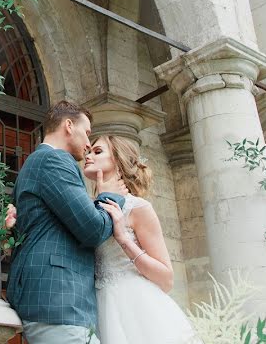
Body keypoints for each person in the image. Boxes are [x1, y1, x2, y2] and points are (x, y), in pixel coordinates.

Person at [6, 101, 127, 344]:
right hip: (59, 301)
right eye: (87, 132)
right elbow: (92, 229)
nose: (89, 142)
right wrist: (111, 196)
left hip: (56, 303)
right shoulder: (53, 160)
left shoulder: (37, 162)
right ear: (69, 126)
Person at [83, 134, 203, 344]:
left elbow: (166, 279)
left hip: (135, 306)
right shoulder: (88, 206)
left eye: (98, 151)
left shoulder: (138, 208)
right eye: (89, 151)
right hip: (96, 305)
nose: (88, 155)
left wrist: (123, 239)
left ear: (118, 161)